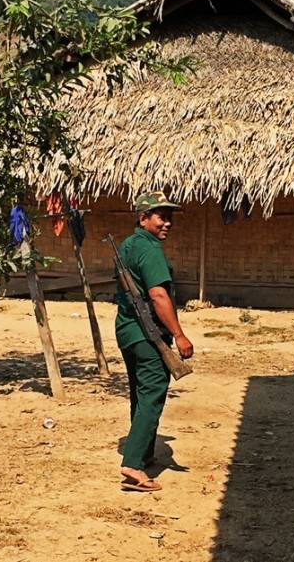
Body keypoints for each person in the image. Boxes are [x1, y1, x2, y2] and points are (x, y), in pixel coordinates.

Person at [115, 190, 194, 492]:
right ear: (143, 218)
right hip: (148, 334)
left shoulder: (127, 245)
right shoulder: (150, 250)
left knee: (140, 392)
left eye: (170, 217)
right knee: (152, 393)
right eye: (161, 217)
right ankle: (133, 464)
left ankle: (143, 452)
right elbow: (158, 295)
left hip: (127, 330)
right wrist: (179, 334)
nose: (167, 223)